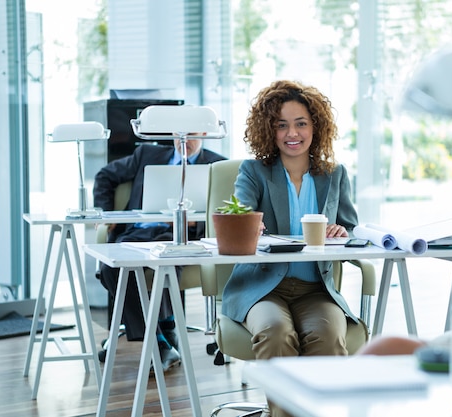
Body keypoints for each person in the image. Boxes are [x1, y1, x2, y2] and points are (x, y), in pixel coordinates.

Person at [220, 80, 357, 417]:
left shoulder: (334, 174)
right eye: (281, 125)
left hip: (315, 289)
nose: (291, 133)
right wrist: (251, 223)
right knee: (276, 333)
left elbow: (351, 226)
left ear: (315, 127)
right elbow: (239, 210)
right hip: (263, 288)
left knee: (327, 337)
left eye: (300, 123)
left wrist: (342, 231)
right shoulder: (254, 171)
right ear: (269, 130)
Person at [94, 138, 226, 371]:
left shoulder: (217, 165)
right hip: (138, 233)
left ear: (204, 132)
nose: (184, 141)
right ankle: (162, 334)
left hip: (179, 236)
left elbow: (226, 209)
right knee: (109, 268)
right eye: (178, 134)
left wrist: (199, 220)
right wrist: (107, 213)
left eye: (191, 134)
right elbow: (104, 176)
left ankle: (160, 338)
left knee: (164, 263)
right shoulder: (146, 154)